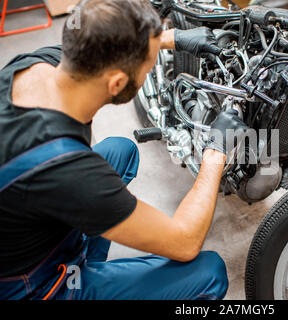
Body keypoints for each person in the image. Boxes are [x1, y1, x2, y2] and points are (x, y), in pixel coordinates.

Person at [0, 0, 247, 300]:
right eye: (148, 66)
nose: (149, 72)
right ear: (117, 83)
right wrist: (215, 151)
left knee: (120, 151)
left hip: (24, 225)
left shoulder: (36, 66)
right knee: (209, 274)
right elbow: (185, 241)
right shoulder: (68, 169)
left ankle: (88, 264)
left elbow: (100, 36)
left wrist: (175, 40)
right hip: (31, 286)